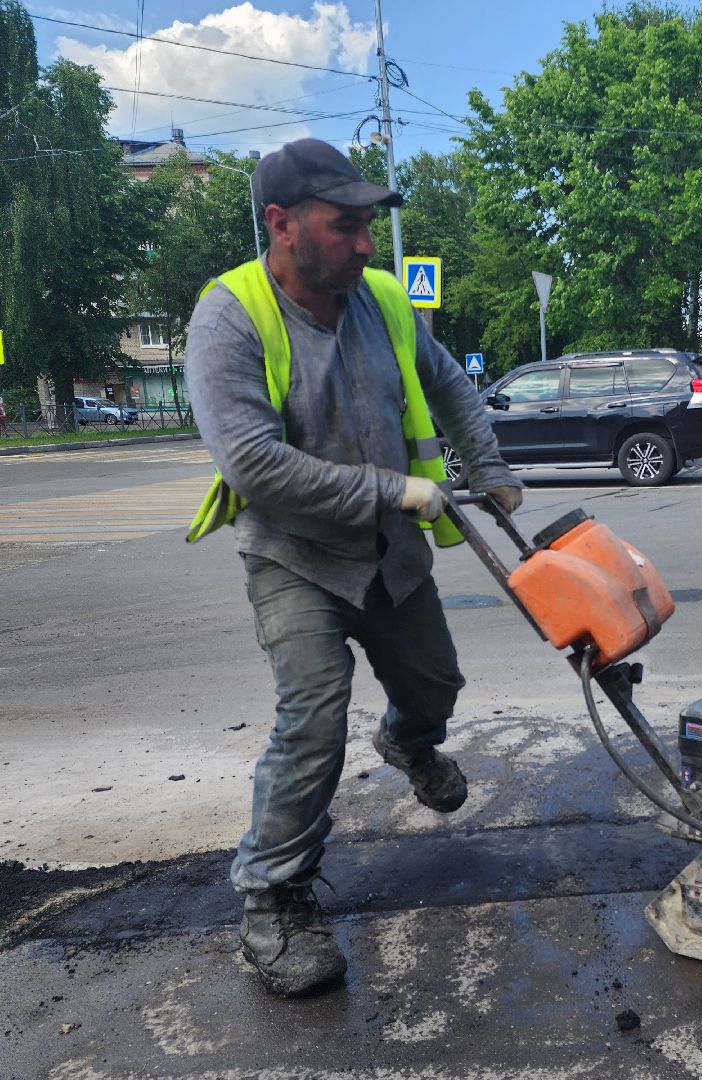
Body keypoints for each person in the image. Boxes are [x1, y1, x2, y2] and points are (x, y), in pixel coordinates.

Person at [186, 138, 523, 998]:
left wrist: (489, 468)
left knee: (437, 685)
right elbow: (253, 465)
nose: (368, 245)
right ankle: (272, 901)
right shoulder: (230, 317)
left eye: (370, 225)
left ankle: (408, 740)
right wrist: (393, 488)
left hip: (390, 554)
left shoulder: (378, 300)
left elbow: (448, 385)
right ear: (282, 224)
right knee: (312, 721)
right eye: (347, 227)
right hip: (296, 559)